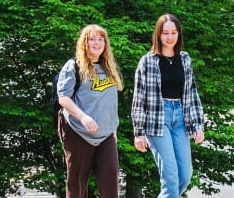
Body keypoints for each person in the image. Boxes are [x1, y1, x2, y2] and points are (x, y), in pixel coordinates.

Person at [131, 13, 206, 197]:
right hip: (157, 120)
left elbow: (192, 93)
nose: (170, 37)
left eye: (174, 33)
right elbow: (138, 98)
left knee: (185, 177)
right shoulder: (147, 61)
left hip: (181, 117)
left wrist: (198, 125)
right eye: (165, 33)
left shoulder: (185, 59)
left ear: (179, 34)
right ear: (158, 35)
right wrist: (139, 132)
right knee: (170, 178)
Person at [56, 24, 124, 198]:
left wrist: (113, 131)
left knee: (111, 177)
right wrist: (83, 117)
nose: (97, 43)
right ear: (84, 43)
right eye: (92, 39)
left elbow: (110, 103)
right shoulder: (74, 66)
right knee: (77, 184)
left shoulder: (109, 67)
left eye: (100, 39)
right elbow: (63, 98)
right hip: (78, 130)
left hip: (106, 134)